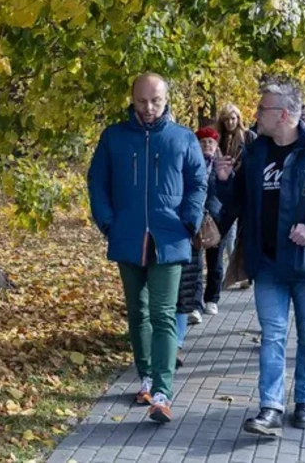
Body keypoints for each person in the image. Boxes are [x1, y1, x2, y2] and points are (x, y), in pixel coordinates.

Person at [215, 82, 305, 436]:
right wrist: (224, 181)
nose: (255, 115)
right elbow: (236, 203)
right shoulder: (255, 153)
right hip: (267, 262)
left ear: (282, 115)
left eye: (261, 109)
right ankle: (271, 407)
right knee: (273, 335)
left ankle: (304, 400)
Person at [87, 73, 208, 423]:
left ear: (166, 99)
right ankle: (145, 377)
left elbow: (198, 182)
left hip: (169, 237)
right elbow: (97, 181)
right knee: (137, 312)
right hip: (127, 235)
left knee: (163, 313)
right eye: (142, 101)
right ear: (132, 100)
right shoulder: (113, 137)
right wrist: (107, 222)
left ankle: (162, 392)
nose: (149, 107)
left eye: (155, 100)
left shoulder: (182, 138)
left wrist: (189, 220)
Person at [176, 127, 221, 355]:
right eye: (202, 142)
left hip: (213, 220)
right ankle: (195, 305)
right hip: (191, 222)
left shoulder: (219, 166)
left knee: (214, 261)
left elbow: (224, 193)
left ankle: (211, 298)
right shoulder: (188, 162)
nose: (206, 146)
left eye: (210, 142)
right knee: (194, 265)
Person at [215, 105, 258, 291]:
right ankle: (221, 277)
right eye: (226, 119)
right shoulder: (219, 139)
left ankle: (244, 273)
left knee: (244, 235)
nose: (230, 123)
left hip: (245, 191)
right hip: (225, 192)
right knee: (219, 236)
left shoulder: (249, 137)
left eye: (233, 118)